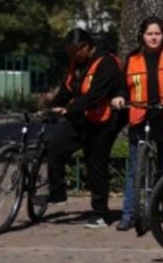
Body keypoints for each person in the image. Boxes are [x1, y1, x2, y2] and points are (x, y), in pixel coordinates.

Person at [111, 17, 163, 231]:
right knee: (134, 170)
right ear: (142, 36)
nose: (154, 37)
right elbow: (122, 87)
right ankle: (128, 215)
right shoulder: (133, 58)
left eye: (157, 33)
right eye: (150, 34)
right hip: (140, 115)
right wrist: (119, 97)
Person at [46, 28, 125, 228]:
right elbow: (67, 89)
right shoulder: (76, 63)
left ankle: (100, 213)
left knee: (95, 162)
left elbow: (96, 95)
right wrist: (53, 106)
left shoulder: (107, 62)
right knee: (54, 145)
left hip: (103, 121)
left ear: (87, 47)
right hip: (81, 117)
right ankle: (57, 193)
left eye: (75, 51)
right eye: (70, 52)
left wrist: (69, 109)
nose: (73, 56)